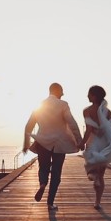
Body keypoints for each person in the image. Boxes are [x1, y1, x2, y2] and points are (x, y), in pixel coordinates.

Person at [23, 82, 84, 210]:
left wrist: (26, 143)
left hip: (42, 142)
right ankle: (50, 203)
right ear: (57, 91)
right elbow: (72, 123)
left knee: (43, 168)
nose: (63, 94)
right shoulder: (63, 105)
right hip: (59, 144)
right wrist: (79, 141)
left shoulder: (40, 105)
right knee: (56, 173)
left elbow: (28, 126)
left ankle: (42, 184)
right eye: (62, 91)